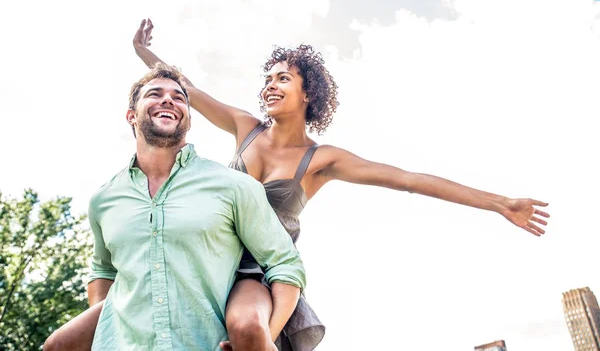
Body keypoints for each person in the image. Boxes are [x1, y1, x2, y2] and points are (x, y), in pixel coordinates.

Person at [45, 19, 550, 351]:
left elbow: (410, 180)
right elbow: (187, 91)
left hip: (257, 270)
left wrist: (500, 202)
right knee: (62, 344)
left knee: (246, 329)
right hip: (201, 252)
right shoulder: (245, 127)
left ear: (309, 93)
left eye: (283, 79)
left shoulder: (321, 159)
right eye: (268, 77)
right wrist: (145, 51)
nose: (270, 84)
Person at [44, 63, 306, 351]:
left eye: (179, 97)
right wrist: (111, 331)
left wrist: (264, 338)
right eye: (154, 94)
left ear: (189, 120)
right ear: (131, 115)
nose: (168, 99)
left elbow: (285, 265)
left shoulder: (234, 186)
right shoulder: (104, 200)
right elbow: (103, 270)